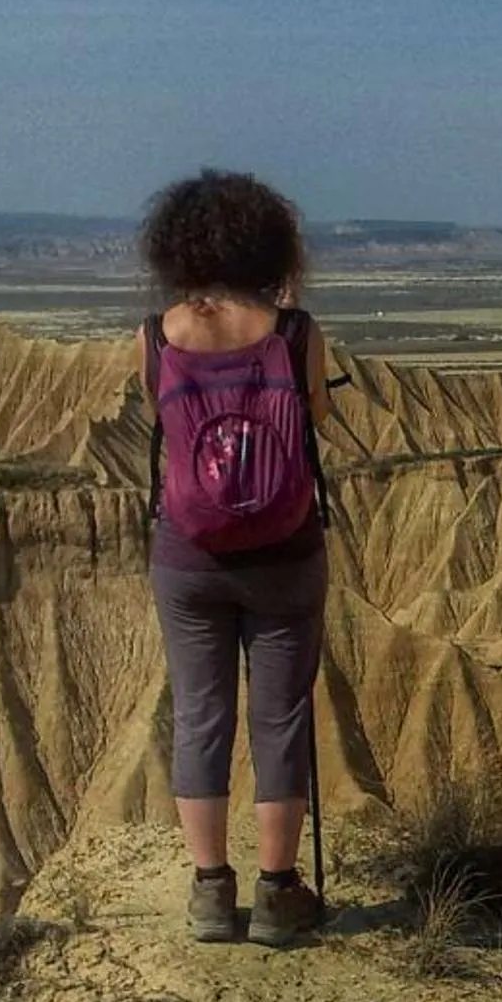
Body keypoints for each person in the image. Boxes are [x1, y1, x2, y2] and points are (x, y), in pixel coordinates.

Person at [135, 170, 337, 946]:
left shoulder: (157, 335)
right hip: (286, 551)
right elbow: (319, 415)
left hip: (188, 555)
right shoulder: (296, 333)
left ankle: (211, 893)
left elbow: (161, 417)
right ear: (268, 244)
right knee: (280, 716)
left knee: (200, 715)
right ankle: (280, 895)